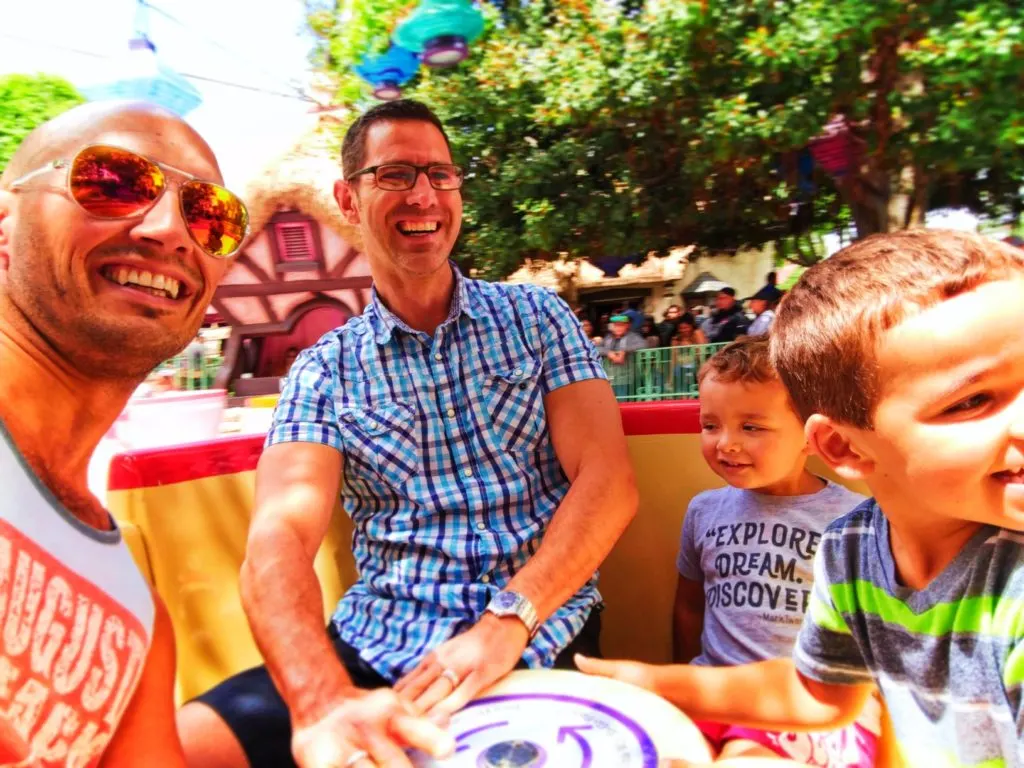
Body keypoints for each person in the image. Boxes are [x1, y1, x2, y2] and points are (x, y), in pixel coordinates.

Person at [178, 99, 638, 768]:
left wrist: (509, 619)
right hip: (376, 643)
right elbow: (277, 542)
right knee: (192, 741)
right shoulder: (324, 370)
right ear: (347, 197)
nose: (423, 194)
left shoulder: (538, 319)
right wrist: (320, 696)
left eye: (440, 175)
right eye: (395, 174)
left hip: (534, 633)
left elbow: (609, 484)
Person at [578, 230, 1024, 766]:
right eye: (974, 400)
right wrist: (654, 680)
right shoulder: (852, 548)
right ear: (842, 446)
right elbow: (817, 693)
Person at [0, 101, 249, 766]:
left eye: (210, 219)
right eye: (110, 182)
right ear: (4, 223)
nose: (171, 231)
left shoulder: (136, 620)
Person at [674, 337, 878, 765]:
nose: (725, 443)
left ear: (812, 437)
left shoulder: (855, 519)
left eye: (751, 427)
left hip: (796, 700)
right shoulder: (703, 511)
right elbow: (689, 606)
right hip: (712, 689)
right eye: (710, 425)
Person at [599, 313, 647, 398]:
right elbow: (597, 348)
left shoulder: (632, 336)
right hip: (610, 378)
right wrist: (609, 353)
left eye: (621, 325)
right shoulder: (608, 337)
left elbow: (643, 344)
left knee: (625, 402)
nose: (618, 328)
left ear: (627, 326)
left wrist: (625, 351)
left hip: (628, 378)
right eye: (616, 325)